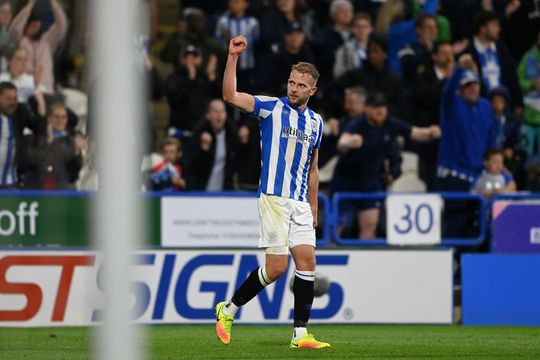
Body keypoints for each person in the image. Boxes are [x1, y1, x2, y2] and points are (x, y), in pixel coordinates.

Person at [215, 35, 330, 349]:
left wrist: (314, 207)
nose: (293, 89)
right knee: (278, 268)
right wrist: (233, 57)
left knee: (307, 262)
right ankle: (228, 309)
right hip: (274, 199)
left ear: (312, 91)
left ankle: (300, 335)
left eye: (301, 86)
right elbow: (229, 95)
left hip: (301, 203)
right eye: (291, 83)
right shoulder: (270, 108)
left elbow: (313, 169)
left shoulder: (317, 124)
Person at [332, 92, 440, 239]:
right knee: (338, 224)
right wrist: (351, 142)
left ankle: (364, 260)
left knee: (370, 224)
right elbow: (341, 143)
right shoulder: (358, 124)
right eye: (375, 107)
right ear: (367, 109)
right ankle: (324, 257)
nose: (380, 110)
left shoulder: (390, 124)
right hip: (346, 180)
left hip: (369, 182)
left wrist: (431, 132)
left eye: (382, 106)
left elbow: (415, 133)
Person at [8, 0, 67, 94]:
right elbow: (15, 29)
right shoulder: (20, 41)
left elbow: (62, 26)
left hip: (47, 91)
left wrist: (54, 3)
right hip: (25, 91)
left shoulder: (47, 41)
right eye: (33, 23)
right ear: (26, 24)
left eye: (38, 23)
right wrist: (30, 5)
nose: (36, 26)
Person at [25, 103, 84, 190]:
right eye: (57, 117)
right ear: (49, 119)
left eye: (64, 117)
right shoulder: (35, 139)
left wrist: (77, 152)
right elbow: (33, 162)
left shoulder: (71, 142)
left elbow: (74, 174)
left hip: (63, 192)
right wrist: (49, 142)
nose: (60, 120)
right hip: (39, 192)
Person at [0, 81, 45, 189]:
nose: (12, 103)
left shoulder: (21, 112)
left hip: (11, 181)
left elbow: (40, 129)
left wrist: (41, 104)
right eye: (8, 99)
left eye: (15, 98)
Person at [189, 98, 237, 191]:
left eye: (222, 111)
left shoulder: (231, 135)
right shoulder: (199, 135)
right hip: (201, 191)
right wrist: (204, 150)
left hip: (224, 192)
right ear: (208, 115)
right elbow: (193, 169)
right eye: (215, 111)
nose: (219, 115)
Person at [333, 12, 372, 78]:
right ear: (352, 29)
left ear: (370, 29)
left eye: (365, 27)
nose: (362, 30)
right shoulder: (344, 50)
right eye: (358, 27)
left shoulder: (377, 49)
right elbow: (338, 74)